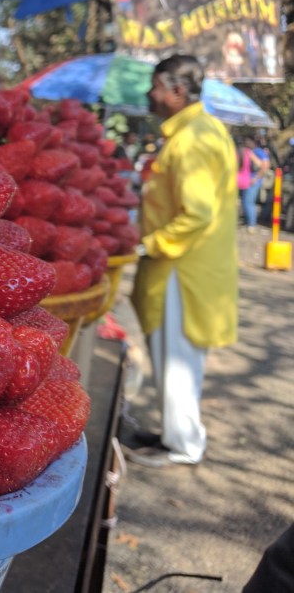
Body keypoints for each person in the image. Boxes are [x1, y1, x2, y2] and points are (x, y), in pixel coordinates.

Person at [127, 54, 238, 468]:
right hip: (183, 265)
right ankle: (175, 434)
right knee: (174, 361)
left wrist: (149, 245)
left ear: (176, 91)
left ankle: (184, 445)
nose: (149, 94)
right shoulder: (197, 130)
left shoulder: (193, 138)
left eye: (155, 86)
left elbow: (197, 214)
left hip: (182, 270)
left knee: (177, 363)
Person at [236, 137, 268, 231]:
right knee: (248, 202)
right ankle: (250, 224)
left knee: (245, 202)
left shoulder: (236, 151)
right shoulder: (249, 152)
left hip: (239, 180)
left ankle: (249, 223)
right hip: (248, 180)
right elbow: (262, 165)